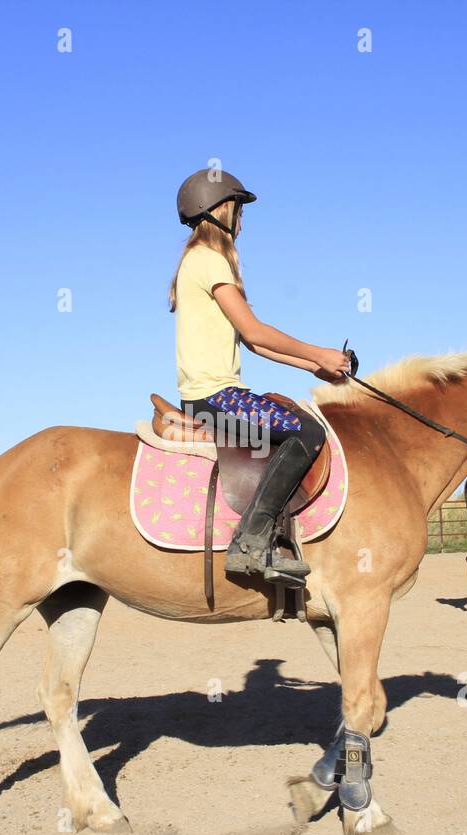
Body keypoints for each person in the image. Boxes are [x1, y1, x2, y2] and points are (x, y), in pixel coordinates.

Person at [169, 169, 351, 586]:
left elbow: (253, 345)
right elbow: (254, 330)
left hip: (212, 396)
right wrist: (319, 351)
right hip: (215, 398)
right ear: (219, 210)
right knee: (306, 432)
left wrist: (315, 367)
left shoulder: (197, 262)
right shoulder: (209, 260)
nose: (241, 220)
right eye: (239, 209)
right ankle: (251, 542)